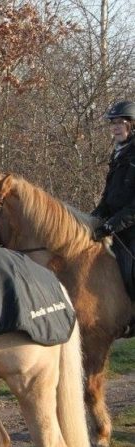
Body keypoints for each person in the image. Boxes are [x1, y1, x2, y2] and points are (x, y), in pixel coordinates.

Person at [92, 100, 135, 300]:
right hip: (117, 228)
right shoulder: (119, 153)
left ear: (132, 125)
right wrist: (95, 217)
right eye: (113, 123)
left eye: (120, 123)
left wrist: (112, 225)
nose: (116, 127)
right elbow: (110, 194)